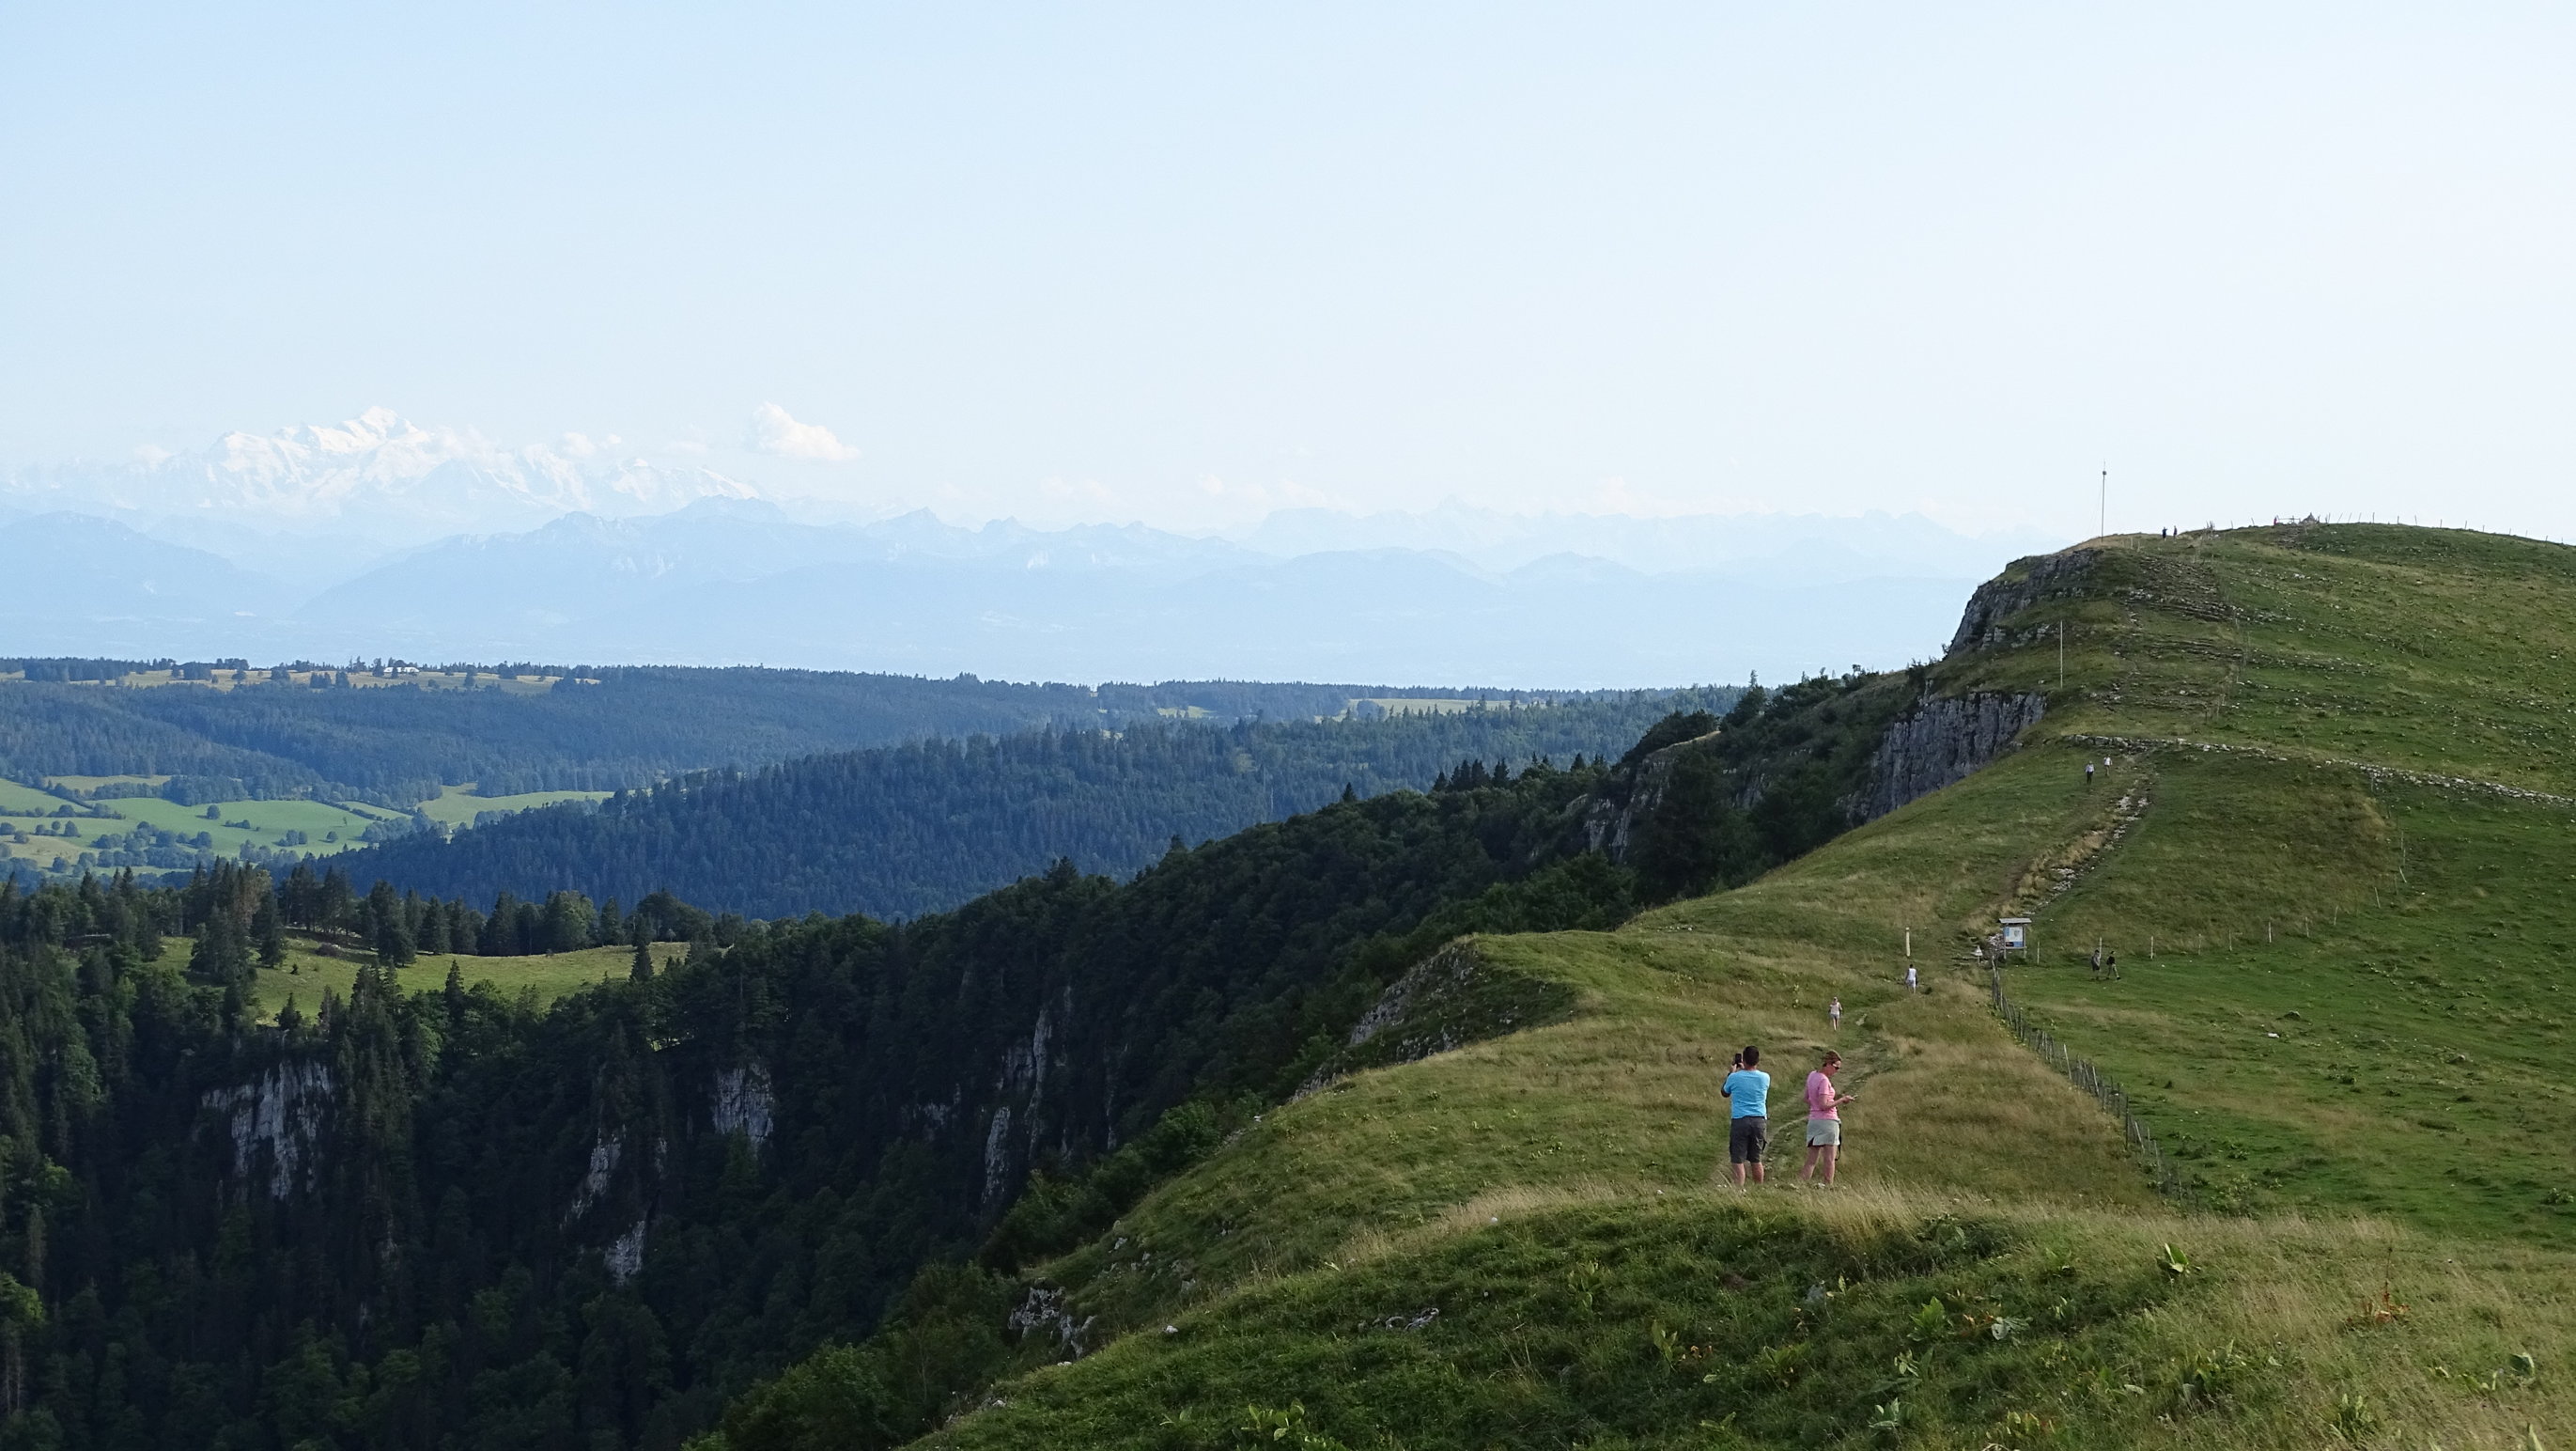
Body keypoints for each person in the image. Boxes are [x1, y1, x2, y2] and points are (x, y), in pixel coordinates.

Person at [1801, 1051, 1854, 1186]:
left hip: (1814, 1120)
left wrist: (1816, 1104)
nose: (1836, 1071)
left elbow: (1806, 1098)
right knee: (1829, 1158)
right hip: (1828, 1121)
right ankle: (1828, 1185)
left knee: (1811, 1159)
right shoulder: (1824, 1081)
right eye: (1836, 1067)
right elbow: (1824, 1105)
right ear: (1828, 1064)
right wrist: (1842, 1100)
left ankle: (1801, 1185)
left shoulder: (1812, 1075)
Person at [1721, 1046, 1770, 1186]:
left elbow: (1724, 1092)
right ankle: (1758, 1188)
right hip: (1759, 1119)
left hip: (1740, 1119)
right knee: (1756, 1159)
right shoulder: (1765, 1077)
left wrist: (1731, 1073)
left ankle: (1739, 1190)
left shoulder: (1734, 1077)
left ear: (1743, 1059)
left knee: (1738, 1159)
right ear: (1757, 1060)